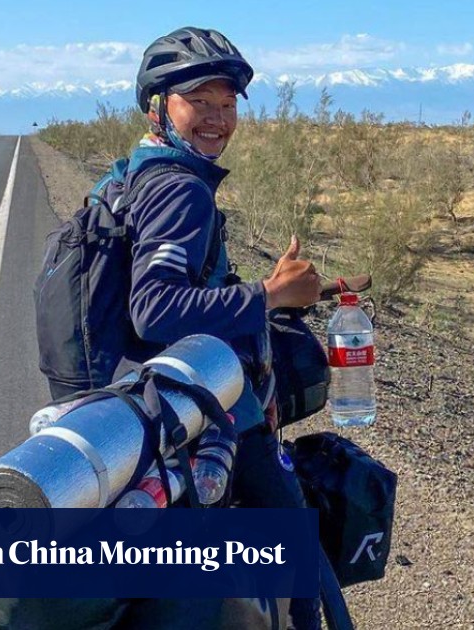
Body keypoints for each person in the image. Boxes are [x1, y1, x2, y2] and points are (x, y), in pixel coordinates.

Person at [119, 26, 322, 628]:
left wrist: (265, 293)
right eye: (198, 102)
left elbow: (181, 283)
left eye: (227, 103)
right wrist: (267, 295)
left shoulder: (138, 171)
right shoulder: (182, 191)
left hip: (151, 395)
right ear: (160, 107)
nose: (216, 118)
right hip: (207, 405)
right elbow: (153, 308)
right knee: (295, 543)